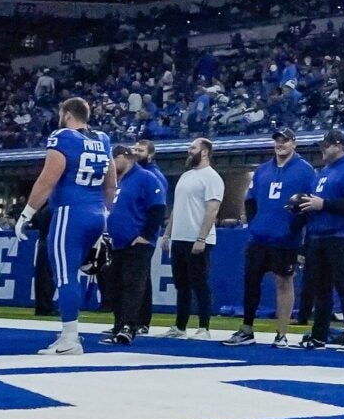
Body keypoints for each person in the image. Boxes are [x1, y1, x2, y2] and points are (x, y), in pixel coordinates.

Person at [19, 96, 112, 356]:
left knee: (65, 275)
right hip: (96, 212)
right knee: (73, 274)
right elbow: (111, 184)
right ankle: (68, 335)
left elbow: (48, 179)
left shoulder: (63, 137)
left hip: (71, 212)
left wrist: (27, 213)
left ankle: (71, 338)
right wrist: (104, 215)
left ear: (67, 114)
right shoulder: (103, 139)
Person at [233, 127, 309, 346]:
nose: (280, 144)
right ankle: (247, 329)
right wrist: (254, 225)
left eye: (285, 140)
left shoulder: (305, 171)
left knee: (284, 282)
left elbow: (308, 204)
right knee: (251, 282)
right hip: (259, 237)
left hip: (285, 239)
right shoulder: (262, 170)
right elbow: (250, 200)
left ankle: (281, 333)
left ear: (294, 143)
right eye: (277, 140)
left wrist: (294, 229)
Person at [297, 130, 344, 350]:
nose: (322, 150)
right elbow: (316, 203)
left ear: (339, 145)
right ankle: (319, 335)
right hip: (319, 235)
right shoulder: (324, 171)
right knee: (321, 288)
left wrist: (323, 204)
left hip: (343, 235)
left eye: (326, 145)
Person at [102, 141, 167, 345]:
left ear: (124, 157)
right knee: (115, 286)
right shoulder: (116, 181)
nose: (111, 165)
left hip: (137, 242)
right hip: (116, 243)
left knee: (133, 285)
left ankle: (129, 326)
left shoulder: (147, 178)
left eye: (113, 160)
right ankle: (119, 325)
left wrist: (146, 236)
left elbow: (158, 208)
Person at [169, 139, 224, 337]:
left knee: (200, 283)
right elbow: (177, 207)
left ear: (205, 151)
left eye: (193, 147)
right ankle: (180, 327)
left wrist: (201, 238)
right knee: (181, 284)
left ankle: (204, 327)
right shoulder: (186, 176)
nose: (189, 150)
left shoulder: (212, 177)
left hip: (197, 238)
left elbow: (212, 210)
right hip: (179, 237)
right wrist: (167, 233)